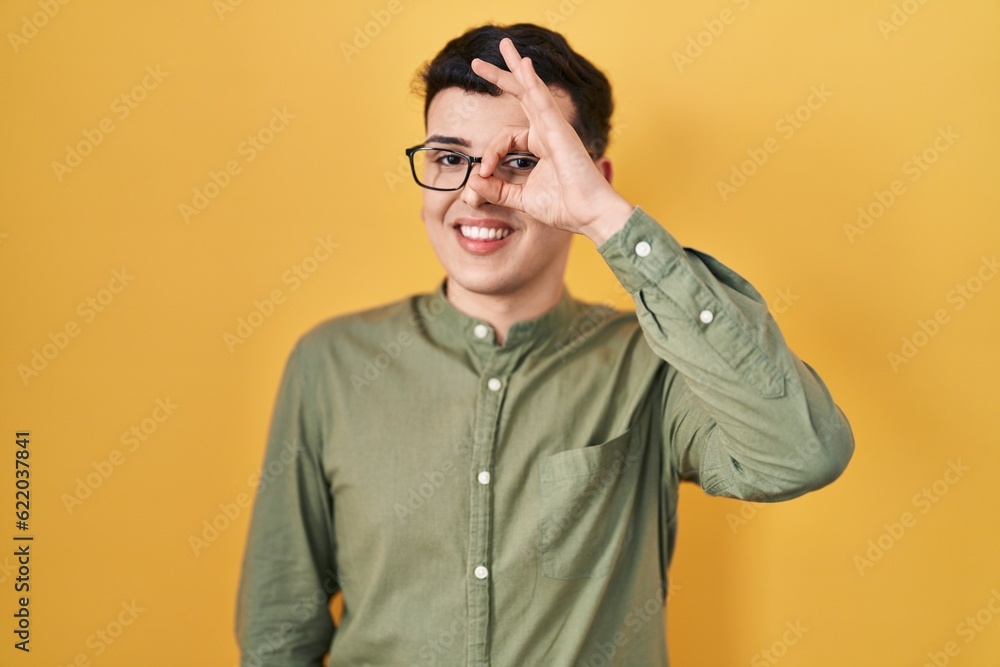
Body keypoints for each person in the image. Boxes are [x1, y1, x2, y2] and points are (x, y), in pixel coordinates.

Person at [235, 22, 854, 667]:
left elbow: (802, 452)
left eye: (523, 160)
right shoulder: (331, 364)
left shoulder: (655, 367)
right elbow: (280, 629)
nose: (477, 191)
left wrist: (606, 218)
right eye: (449, 157)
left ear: (592, 177)